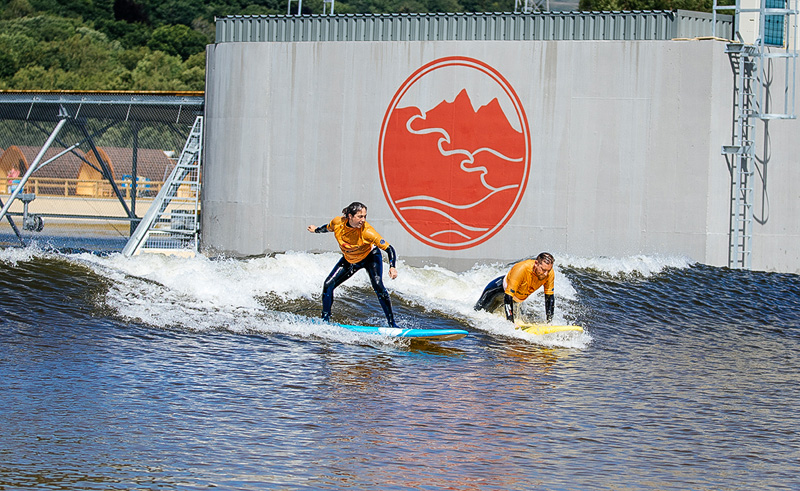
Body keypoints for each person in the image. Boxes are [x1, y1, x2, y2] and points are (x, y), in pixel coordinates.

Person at [308, 202, 399, 327]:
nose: (363, 220)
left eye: (365, 216)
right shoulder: (338, 222)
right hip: (350, 260)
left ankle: (392, 324)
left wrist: (392, 266)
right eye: (360, 216)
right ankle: (325, 321)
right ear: (350, 216)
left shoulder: (368, 232)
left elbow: (389, 248)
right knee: (328, 284)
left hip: (370, 258)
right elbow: (327, 228)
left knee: (378, 286)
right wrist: (316, 230)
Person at [474, 252, 555, 324]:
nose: (545, 274)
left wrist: (549, 322)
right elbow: (508, 297)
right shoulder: (521, 269)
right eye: (543, 270)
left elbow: (549, 298)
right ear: (536, 263)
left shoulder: (549, 274)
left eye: (548, 270)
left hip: (516, 299)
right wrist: (510, 324)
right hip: (497, 291)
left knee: (521, 318)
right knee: (478, 315)